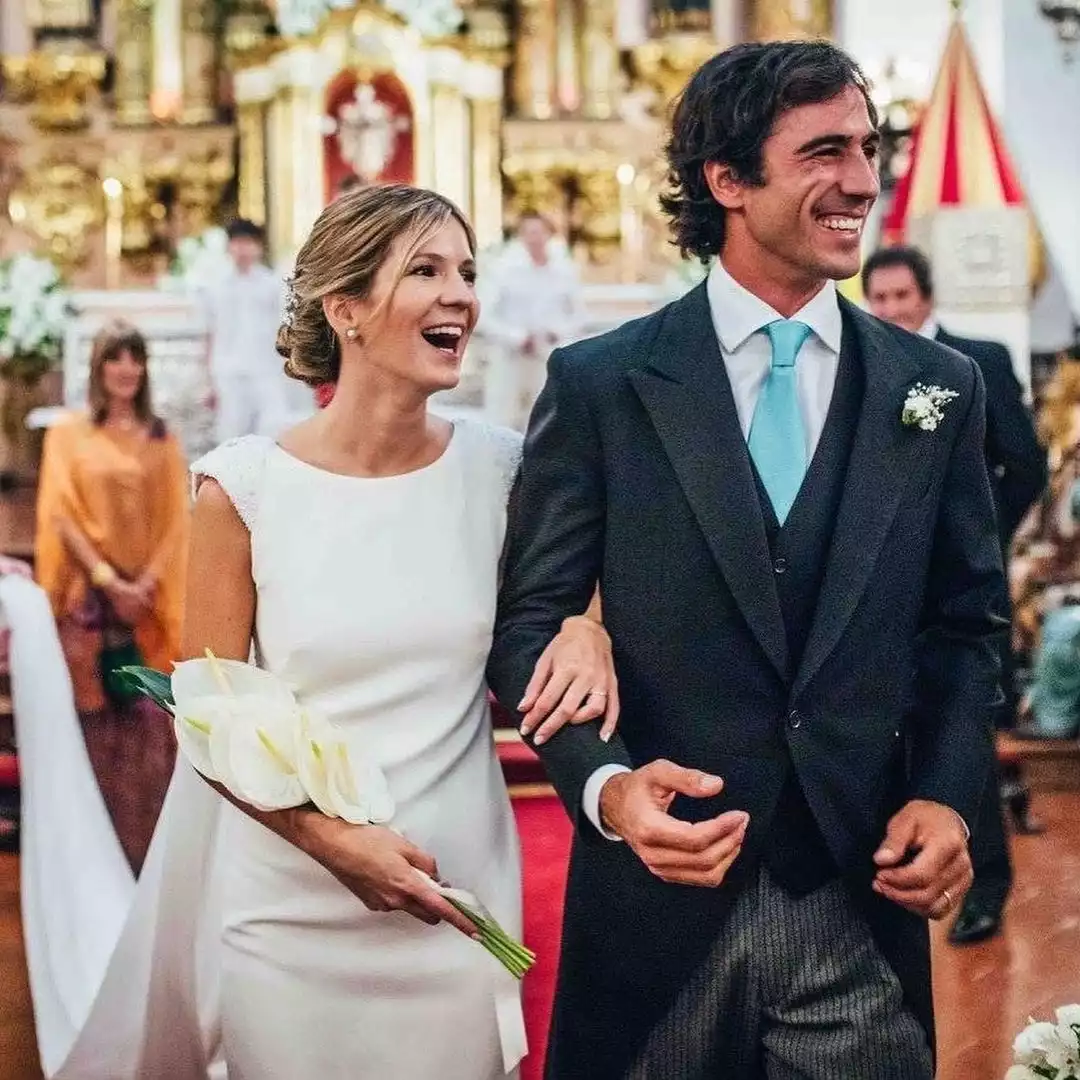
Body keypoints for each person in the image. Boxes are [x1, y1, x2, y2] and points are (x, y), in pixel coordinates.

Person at [489, 40, 1005, 1079]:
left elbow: (965, 628)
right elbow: (529, 623)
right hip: (655, 917)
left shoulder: (936, 388)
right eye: (824, 152)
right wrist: (608, 790)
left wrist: (948, 794)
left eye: (867, 148)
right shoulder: (603, 385)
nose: (862, 180)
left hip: (856, 907)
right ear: (727, 179)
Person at [35, 183, 614, 1080]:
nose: (461, 295)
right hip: (288, 911)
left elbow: (582, 591)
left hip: (454, 896)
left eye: (467, 272)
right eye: (426, 271)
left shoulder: (503, 470)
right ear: (345, 309)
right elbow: (209, 716)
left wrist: (590, 626)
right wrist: (333, 844)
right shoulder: (243, 488)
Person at [863, 245, 1047, 945]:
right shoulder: (860, 364)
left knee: (964, 732)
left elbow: (1024, 464)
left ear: (927, 297)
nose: (890, 310)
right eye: (879, 298)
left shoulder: (977, 361)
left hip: (962, 591)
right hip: (882, 593)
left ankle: (985, 887)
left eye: (901, 296)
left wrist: (976, 543)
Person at [35, 319, 188, 871]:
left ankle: (146, 865)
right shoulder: (69, 434)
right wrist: (108, 580)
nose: (126, 369)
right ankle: (89, 865)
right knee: (93, 731)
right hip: (88, 606)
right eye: (114, 358)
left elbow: (178, 520)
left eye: (134, 358)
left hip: (147, 607)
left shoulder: (161, 439)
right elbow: (60, 513)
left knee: (149, 738)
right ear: (98, 368)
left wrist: (144, 585)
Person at [477, 211, 587, 430]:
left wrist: (556, 331)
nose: (535, 238)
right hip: (509, 358)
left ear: (549, 234)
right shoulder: (503, 269)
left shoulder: (563, 269)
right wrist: (518, 338)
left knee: (545, 422)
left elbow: (579, 314)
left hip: (547, 356)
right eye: (529, 232)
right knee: (503, 420)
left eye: (540, 232)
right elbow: (484, 315)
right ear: (520, 235)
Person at [202, 218, 293, 442]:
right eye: (237, 243)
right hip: (228, 372)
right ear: (229, 246)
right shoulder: (216, 286)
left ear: (259, 247)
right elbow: (210, 333)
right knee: (231, 436)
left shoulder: (272, 284)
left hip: (266, 370)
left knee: (272, 433)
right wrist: (208, 381)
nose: (243, 249)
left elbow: (284, 328)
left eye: (248, 243)